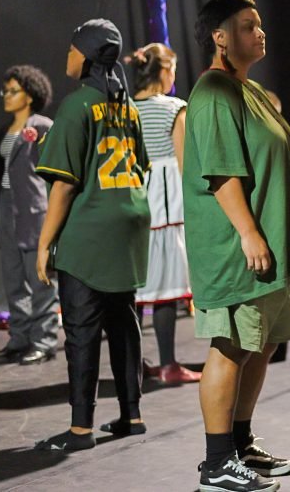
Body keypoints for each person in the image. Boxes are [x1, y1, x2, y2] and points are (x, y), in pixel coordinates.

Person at [184, 0, 290, 492]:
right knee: (231, 346)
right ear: (220, 37)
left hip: (266, 248)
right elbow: (222, 174)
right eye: (248, 26)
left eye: (259, 24)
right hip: (238, 250)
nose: (260, 33)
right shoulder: (212, 92)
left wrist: (286, 230)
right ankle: (216, 464)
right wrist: (251, 233)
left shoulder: (248, 91)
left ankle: (240, 443)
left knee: (262, 345)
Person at [33, 19, 151, 451]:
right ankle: (131, 414)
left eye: (71, 49)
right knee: (124, 324)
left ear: (83, 55)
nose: (67, 56)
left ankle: (81, 429)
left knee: (82, 331)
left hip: (91, 232)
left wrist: (45, 244)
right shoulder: (128, 106)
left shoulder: (77, 105)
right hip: (132, 226)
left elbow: (64, 185)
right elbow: (141, 168)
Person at [128, 43, 200, 384]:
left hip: (132, 202)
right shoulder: (175, 108)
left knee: (136, 290)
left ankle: (132, 365)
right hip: (167, 205)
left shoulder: (124, 108)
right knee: (166, 287)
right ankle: (169, 364)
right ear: (163, 71)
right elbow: (185, 163)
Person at [0, 65, 58, 366]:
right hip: (6, 207)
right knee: (13, 276)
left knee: (40, 277)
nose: (6, 96)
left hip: (34, 209)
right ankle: (19, 338)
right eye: (5, 90)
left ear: (29, 95)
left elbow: (56, 171)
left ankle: (44, 340)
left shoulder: (42, 126)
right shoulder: (3, 130)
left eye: (13, 90)